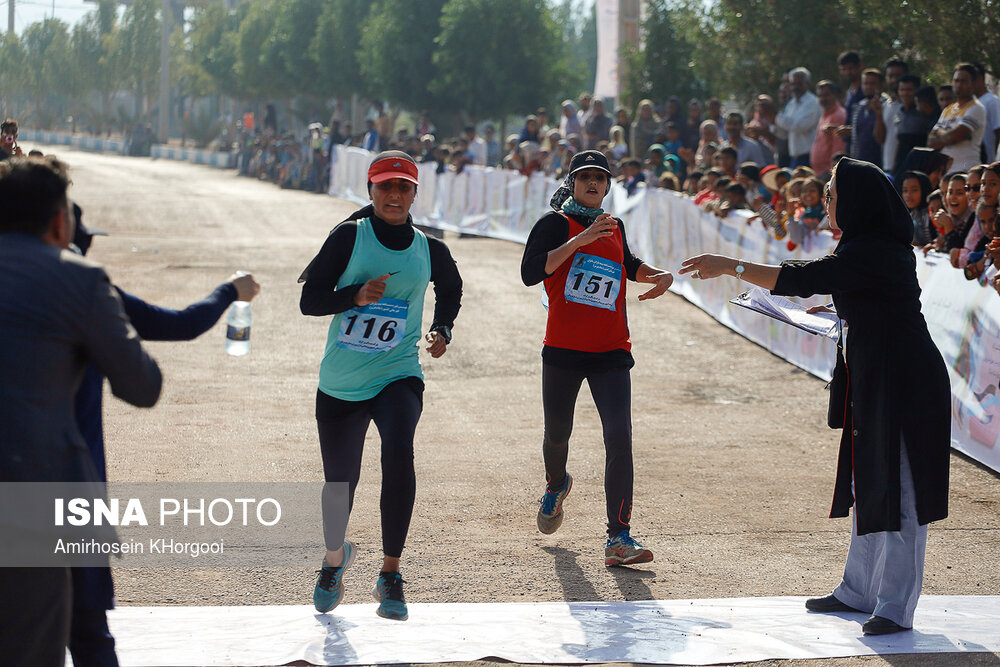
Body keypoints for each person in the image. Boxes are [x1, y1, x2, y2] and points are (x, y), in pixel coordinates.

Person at [680, 157, 951, 636]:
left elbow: (803, 276)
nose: (825, 200)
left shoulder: (876, 250)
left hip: (905, 383)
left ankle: (894, 605)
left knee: (902, 493)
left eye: (831, 192)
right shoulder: (866, 247)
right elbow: (846, 286)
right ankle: (858, 590)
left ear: (856, 201)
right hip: (876, 378)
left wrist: (731, 265)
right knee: (869, 481)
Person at [69, 207, 261, 667]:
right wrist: (230, 291)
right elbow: (175, 331)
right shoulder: (82, 289)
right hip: (68, 489)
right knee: (89, 633)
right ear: (58, 228)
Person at [0, 156, 162, 665]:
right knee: (34, 645)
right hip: (37, 497)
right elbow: (142, 385)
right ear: (58, 221)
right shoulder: (79, 280)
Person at [299, 151, 462, 621]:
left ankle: (390, 572)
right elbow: (309, 300)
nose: (394, 195)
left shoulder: (430, 248)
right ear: (370, 191)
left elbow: (450, 287)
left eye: (403, 188)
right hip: (342, 380)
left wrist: (442, 328)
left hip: (398, 373)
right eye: (385, 187)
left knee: (398, 451)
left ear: (414, 194)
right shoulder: (349, 236)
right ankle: (334, 562)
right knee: (339, 481)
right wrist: (353, 295)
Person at [520, 150, 673, 566]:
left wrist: (656, 275)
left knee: (619, 438)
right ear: (573, 183)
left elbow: (627, 263)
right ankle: (556, 483)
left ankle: (618, 538)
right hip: (564, 351)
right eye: (584, 177)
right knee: (557, 434)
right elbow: (531, 271)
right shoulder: (555, 224)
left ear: (608, 186)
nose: (592, 183)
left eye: (599, 178)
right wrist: (578, 241)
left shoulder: (614, 226)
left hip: (611, 351)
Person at [928, 64, 987, 173]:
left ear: (973, 84)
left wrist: (942, 134)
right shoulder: (947, 110)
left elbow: (954, 137)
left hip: (966, 171)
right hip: (946, 172)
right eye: (956, 81)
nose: (959, 85)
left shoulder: (976, 108)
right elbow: (931, 142)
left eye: (964, 81)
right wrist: (948, 136)